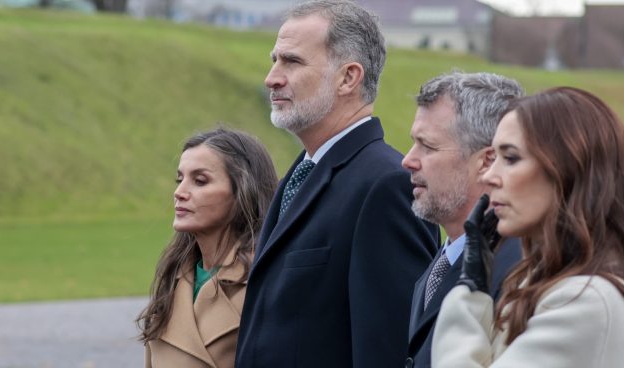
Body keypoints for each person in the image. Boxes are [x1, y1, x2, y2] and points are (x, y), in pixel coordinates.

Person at [235, 1, 439, 367]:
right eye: (274, 59)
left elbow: (388, 350)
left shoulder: (387, 185)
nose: (272, 77)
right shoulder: (302, 174)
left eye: (292, 62)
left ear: (349, 77)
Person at [431, 86, 624, 367]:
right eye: (493, 157)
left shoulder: (588, 302)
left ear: (568, 169)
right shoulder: (543, 282)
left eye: (510, 158)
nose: (489, 176)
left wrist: (469, 295)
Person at [401, 72, 524, 368]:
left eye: (427, 146)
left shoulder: (518, 269)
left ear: (486, 161)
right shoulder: (445, 258)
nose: (407, 160)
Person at [136, 127, 277, 368]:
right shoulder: (174, 276)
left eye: (200, 181)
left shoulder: (268, 281)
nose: (179, 193)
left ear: (243, 192)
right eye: (180, 180)